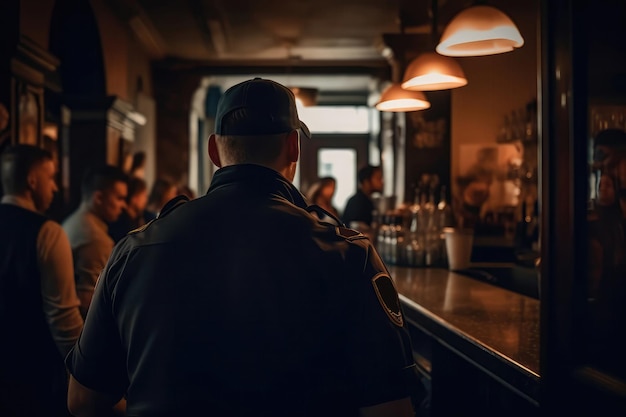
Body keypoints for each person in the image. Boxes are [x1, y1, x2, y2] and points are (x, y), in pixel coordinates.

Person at [65, 78, 423, 417]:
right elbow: (391, 409)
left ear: (213, 151)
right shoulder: (349, 255)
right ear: (293, 146)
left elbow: (83, 400)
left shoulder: (135, 249)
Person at [0, 144, 83, 417]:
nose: (55, 188)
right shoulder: (47, 233)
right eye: (50, 178)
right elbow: (63, 319)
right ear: (32, 181)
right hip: (34, 373)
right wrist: (86, 370)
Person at [62, 165, 128, 318]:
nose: (123, 205)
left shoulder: (74, 221)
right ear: (98, 198)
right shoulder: (95, 238)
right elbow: (89, 300)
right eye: (119, 198)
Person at [108, 176, 148, 243]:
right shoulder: (123, 224)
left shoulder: (137, 219)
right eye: (144, 195)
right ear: (134, 198)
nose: (146, 200)